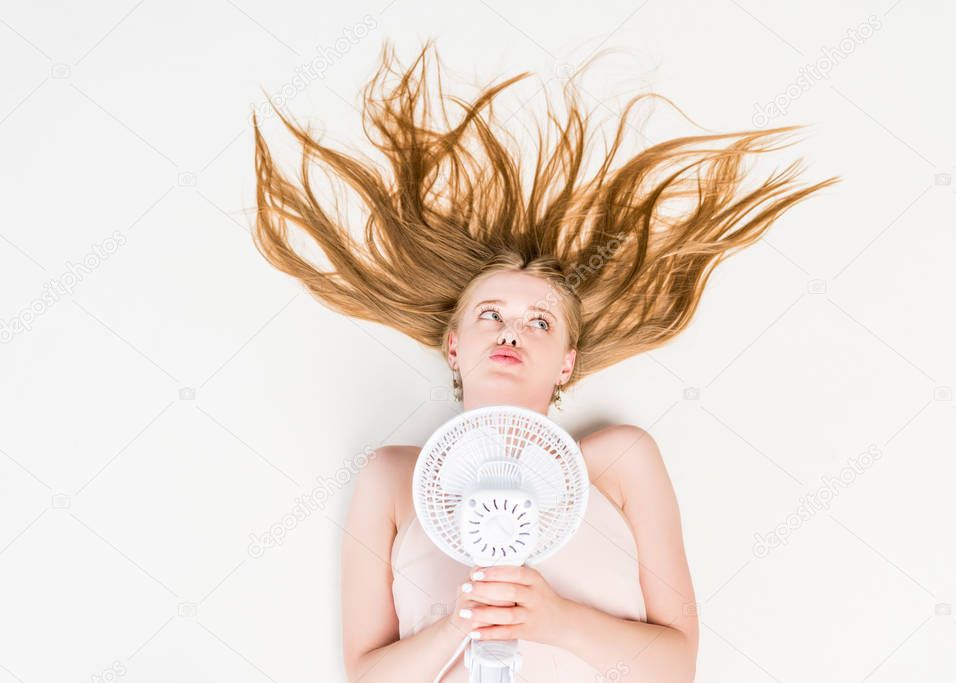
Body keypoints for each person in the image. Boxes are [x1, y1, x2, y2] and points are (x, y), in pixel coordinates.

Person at [250, 39, 839, 682]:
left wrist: (552, 619)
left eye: (540, 321)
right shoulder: (392, 480)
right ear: (453, 345)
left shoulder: (620, 462)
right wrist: (466, 622)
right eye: (490, 314)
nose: (512, 332)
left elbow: (674, 669)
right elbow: (366, 676)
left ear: (567, 362)